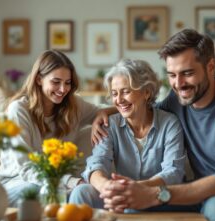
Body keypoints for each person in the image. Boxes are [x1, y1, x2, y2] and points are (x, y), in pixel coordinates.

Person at [95, 29, 215, 221]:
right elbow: (147, 107)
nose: (179, 84)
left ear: (211, 66)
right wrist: (107, 111)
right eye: (172, 75)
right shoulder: (179, 99)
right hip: (200, 195)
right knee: (132, 202)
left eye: (187, 73)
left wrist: (155, 194)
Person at [0, 50, 114, 207]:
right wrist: (70, 181)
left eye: (67, 83)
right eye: (56, 82)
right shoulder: (18, 110)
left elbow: (108, 109)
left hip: (57, 185)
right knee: (44, 191)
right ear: (39, 79)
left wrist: (102, 113)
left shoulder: (73, 106)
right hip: (18, 183)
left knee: (84, 192)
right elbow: (26, 168)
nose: (63, 89)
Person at [69, 59, 186, 210]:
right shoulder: (110, 124)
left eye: (126, 91)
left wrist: (137, 189)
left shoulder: (170, 123)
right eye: (114, 94)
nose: (118, 100)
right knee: (81, 192)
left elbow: (174, 172)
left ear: (146, 92)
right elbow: (97, 163)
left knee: (133, 205)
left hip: (158, 196)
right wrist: (107, 186)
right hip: (122, 195)